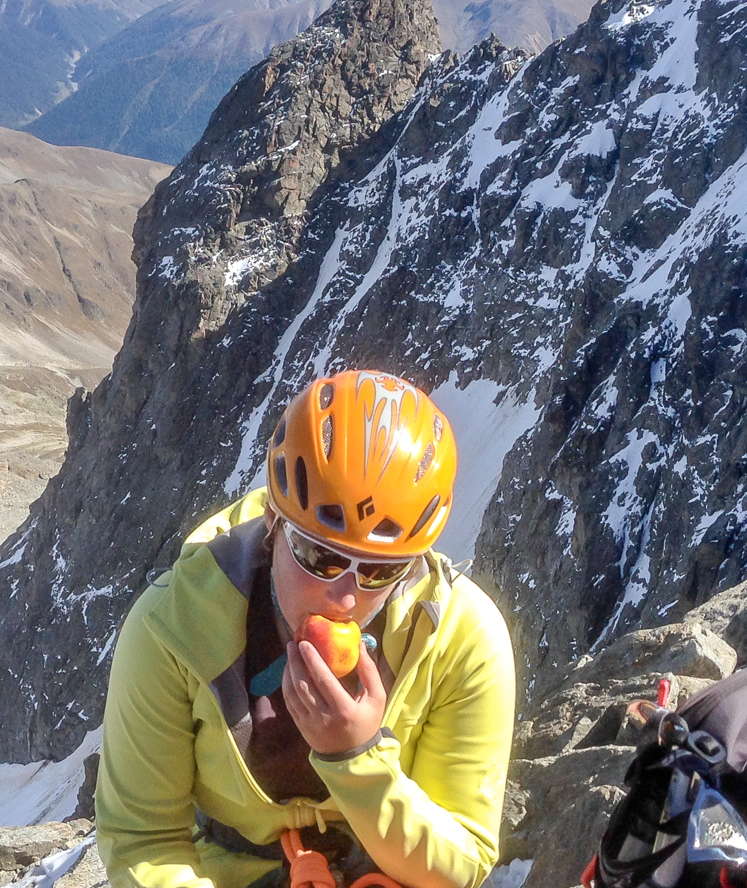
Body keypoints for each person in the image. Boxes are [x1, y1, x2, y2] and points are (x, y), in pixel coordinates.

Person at [96, 369, 517, 888]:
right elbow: (143, 838)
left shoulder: (463, 638)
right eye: (318, 556)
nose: (346, 596)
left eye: (381, 571)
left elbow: (462, 863)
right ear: (275, 521)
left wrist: (357, 758)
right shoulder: (172, 627)